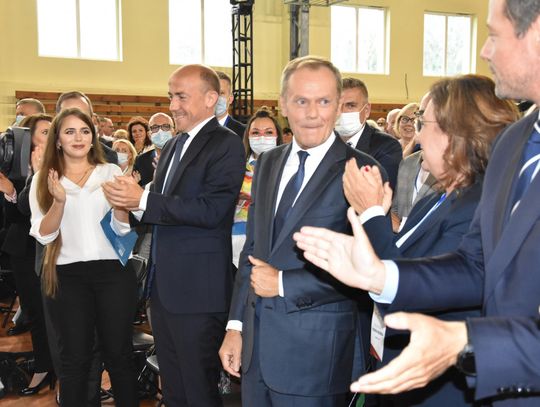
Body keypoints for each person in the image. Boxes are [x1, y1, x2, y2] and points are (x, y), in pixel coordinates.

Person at [294, 0, 540, 405]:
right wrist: (380, 276)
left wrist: (468, 340)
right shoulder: (517, 141)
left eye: (494, 35)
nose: (484, 51)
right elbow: (476, 265)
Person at [342, 75, 519, 406]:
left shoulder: (480, 205)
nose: (418, 134)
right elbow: (406, 258)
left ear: (457, 133)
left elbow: (413, 292)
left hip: (438, 386)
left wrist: (371, 215)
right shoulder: (440, 194)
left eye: (424, 122)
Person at [219, 56, 386, 406]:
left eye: (324, 101)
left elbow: (370, 269)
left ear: (338, 105)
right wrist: (236, 326)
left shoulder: (362, 170)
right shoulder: (267, 163)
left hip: (317, 357)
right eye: (301, 101)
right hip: (256, 351)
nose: (312, 113)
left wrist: (283, 283)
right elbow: (253, 249)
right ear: (283, 104)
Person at [102, 64, 245, 407]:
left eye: (181, 96)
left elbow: (213, 210)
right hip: (164, 290)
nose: (173, 105)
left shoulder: (225, 144)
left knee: (199, 390)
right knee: (175, 391)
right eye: (171, 96)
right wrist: (131, 200)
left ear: (211, 99)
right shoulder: (173, 145)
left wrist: (142, 200)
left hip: (198, 292)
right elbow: (160, 209)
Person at [28, 108, 138, 406]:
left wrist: (121, 205)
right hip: (67, 277)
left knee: (119, 356)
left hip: (113, 274)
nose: (78, 137)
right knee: (75, 360)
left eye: (85, 131)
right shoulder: (43, 179)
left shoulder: (110, 172)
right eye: (70, 131)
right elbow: (44, 235)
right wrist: (59, 202)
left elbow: (122, 230)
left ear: (93, 137)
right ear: (58, 140)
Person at [0, 113, 55, 396]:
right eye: (44, 132)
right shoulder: (16, 165)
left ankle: (54, 365)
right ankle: (44, 364)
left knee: (54, 314)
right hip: (24, 249)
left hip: (54, 250)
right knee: (34, 311)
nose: (50, 135)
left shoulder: (61, 164)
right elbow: (15, 217)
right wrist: (10, 192)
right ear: (28, 138)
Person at [232, 107, 283, 267]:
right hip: (238, 240)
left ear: (277, 136)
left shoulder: (290, 168)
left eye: (268, 132)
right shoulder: (235, 167)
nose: (262, 137)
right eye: (255, 132)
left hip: (275, 241)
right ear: (248, 136)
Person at [336, 77, 402, 189]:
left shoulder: (387, 146)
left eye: (351, 106)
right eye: (337, 105)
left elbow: (381, 191)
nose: (342, 112)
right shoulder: (321, 142)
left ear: (366, 110)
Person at [56, 91, 118, 164]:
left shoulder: (108, 156)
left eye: (82, 115)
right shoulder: (46, 155)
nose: (75, 120)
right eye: (68, 114)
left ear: (92, 119)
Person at [133, 112, 175, 186]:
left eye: (166, 126)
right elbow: (137, 188)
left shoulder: (183, 156)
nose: (160, 131)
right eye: (155, 127)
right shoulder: (140, 160)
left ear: (174, 132)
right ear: (149, 135)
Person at [215, 71, 246, 138]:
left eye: (221, 93)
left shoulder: (244, 132)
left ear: (230, 98)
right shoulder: (194, 129)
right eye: (213, 93)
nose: (217, 98)